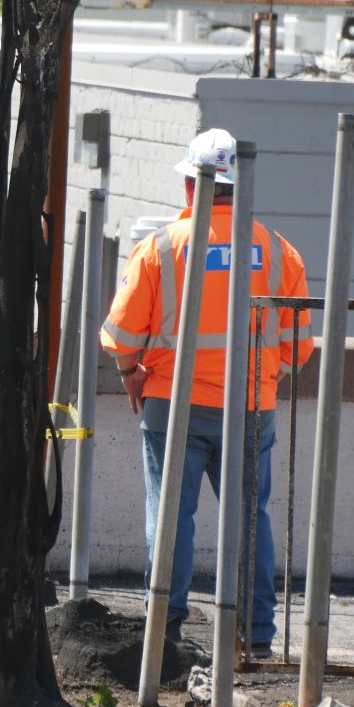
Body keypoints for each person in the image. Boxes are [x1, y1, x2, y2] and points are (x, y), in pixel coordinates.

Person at [100, 128, 313, 657]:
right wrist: (261, 378)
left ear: (192, 188)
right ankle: (256, 636)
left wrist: (133, 376)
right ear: (240, 189)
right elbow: (297, 350)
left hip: (172, 405)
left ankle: (164, 629)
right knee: (250, 520)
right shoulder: (279, 252)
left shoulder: (160, 249)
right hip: (250, 409)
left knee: (170, 514)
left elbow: (122, 338)